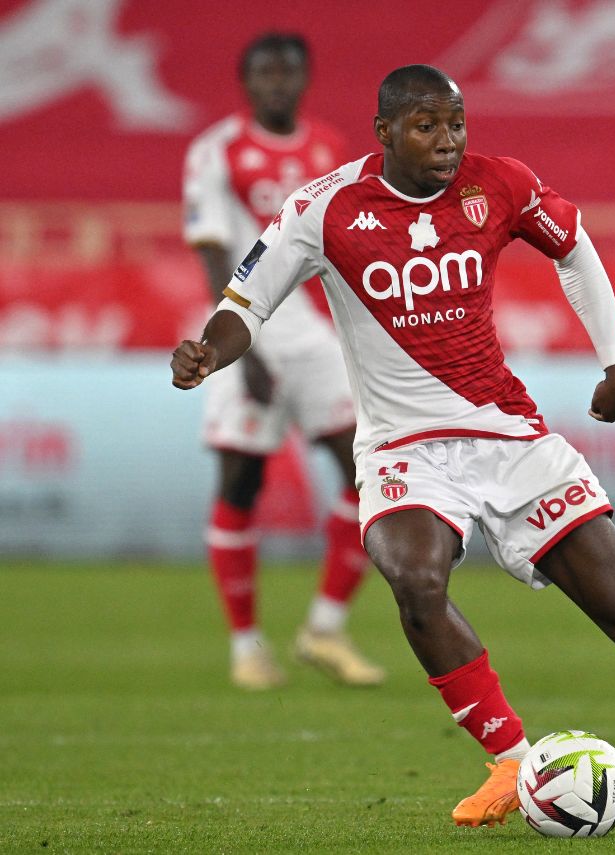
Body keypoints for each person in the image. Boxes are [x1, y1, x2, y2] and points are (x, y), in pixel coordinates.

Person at [171, 64, 615, 832]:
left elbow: (573, 247)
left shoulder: (499, 184)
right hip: (403, 445)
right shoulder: (323, 207)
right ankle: (511, 760)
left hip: (509, 437)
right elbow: (247, 300)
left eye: (455, 124)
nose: (446, 142)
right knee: (414, 578)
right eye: (426, 126)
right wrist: (210, 349)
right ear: (384, 132)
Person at [182, 33, 384, 690]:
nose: (277, 83)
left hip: (318, 340)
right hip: (245, 333)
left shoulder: (328, 150)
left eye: (288, 72)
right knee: (241, 483)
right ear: (246, 81)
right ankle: (246, 645)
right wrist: (242, 346)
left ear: (304, 79)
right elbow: (214, 252)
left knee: (367, 468)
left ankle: (324, 629)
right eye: (265, 72)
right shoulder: (216, 151)